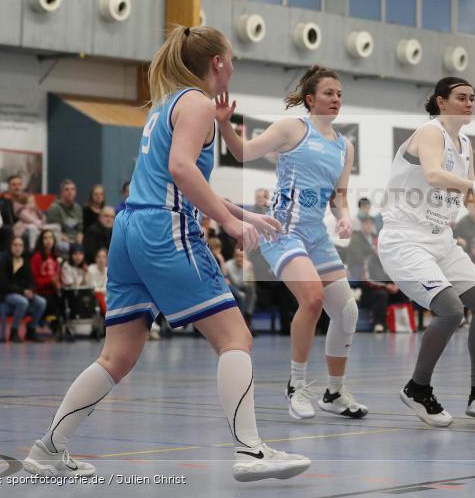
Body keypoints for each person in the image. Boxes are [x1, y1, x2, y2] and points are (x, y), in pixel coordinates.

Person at [22, 25, 309, 482]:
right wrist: (230, 223)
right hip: (163, 229)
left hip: (131, 228)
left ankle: (47, 449)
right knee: (235, 338)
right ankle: (251, 451)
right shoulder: (194, 102)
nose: (234, 64)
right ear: (217, 63)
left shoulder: (169, 105)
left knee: (117, 356)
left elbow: (173, 178)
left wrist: (241, 212)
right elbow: (179, 171)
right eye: (231, 57)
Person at [215, 65, 367, 420]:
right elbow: (242, 152)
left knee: (347, 311)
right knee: (312, 298)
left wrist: (344, 216)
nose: (336, 99)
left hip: (316, 235)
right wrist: (224, 123)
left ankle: (335, 392)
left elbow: (339, 196)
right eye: (329, 93)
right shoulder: (291, 128)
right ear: (311, 99)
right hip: (281, 230)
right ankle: (297, 386)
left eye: (340, 94)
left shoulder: (346, 146)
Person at [377, 76, 475, 427]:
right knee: (449, 310)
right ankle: (417, 388)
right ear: (440, 101)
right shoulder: (431, 132)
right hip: (405, 239)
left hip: (440, 240)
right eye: (462, 97)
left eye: (473, 98)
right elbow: (432, 174)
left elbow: (471, 201)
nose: (469, 103)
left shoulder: (465, 144)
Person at [0, 236, 47, 343]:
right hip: (7, 293)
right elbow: (3, 284)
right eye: (15, 245)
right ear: (10, 246)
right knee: (23, 302)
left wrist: (32, 291)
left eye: (20, 245)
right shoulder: (3, 261)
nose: (18, 248)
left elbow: (31, 280)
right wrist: (23, 292)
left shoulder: (25, 261)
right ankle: (14, 332)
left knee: (41, 302)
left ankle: (31, 330)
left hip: (23, 292)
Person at [47, 180, 84, 251]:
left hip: (75, 241)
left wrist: (80, 236)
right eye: (66, 189)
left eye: (72, 189)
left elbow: (80, 229)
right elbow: (53, 230)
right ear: (61, 193)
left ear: (75, 193)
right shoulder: (55, 208)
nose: (70, 192)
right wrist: (65, 238)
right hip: (60, 240)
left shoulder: (78, 208)